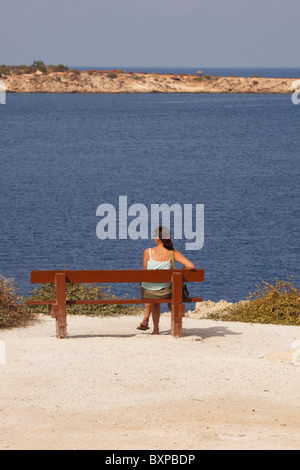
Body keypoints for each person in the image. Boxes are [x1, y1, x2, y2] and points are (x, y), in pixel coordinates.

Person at [137, 226, 195, 335]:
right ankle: (151, 325)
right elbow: (191, 266)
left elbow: (145, 273)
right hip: (165, 291)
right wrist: (179, 271)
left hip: (148, 292)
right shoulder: (172, 252)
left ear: (158, 239)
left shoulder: (147, 252)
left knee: (150, 290)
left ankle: (154, 328)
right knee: (157, 291)